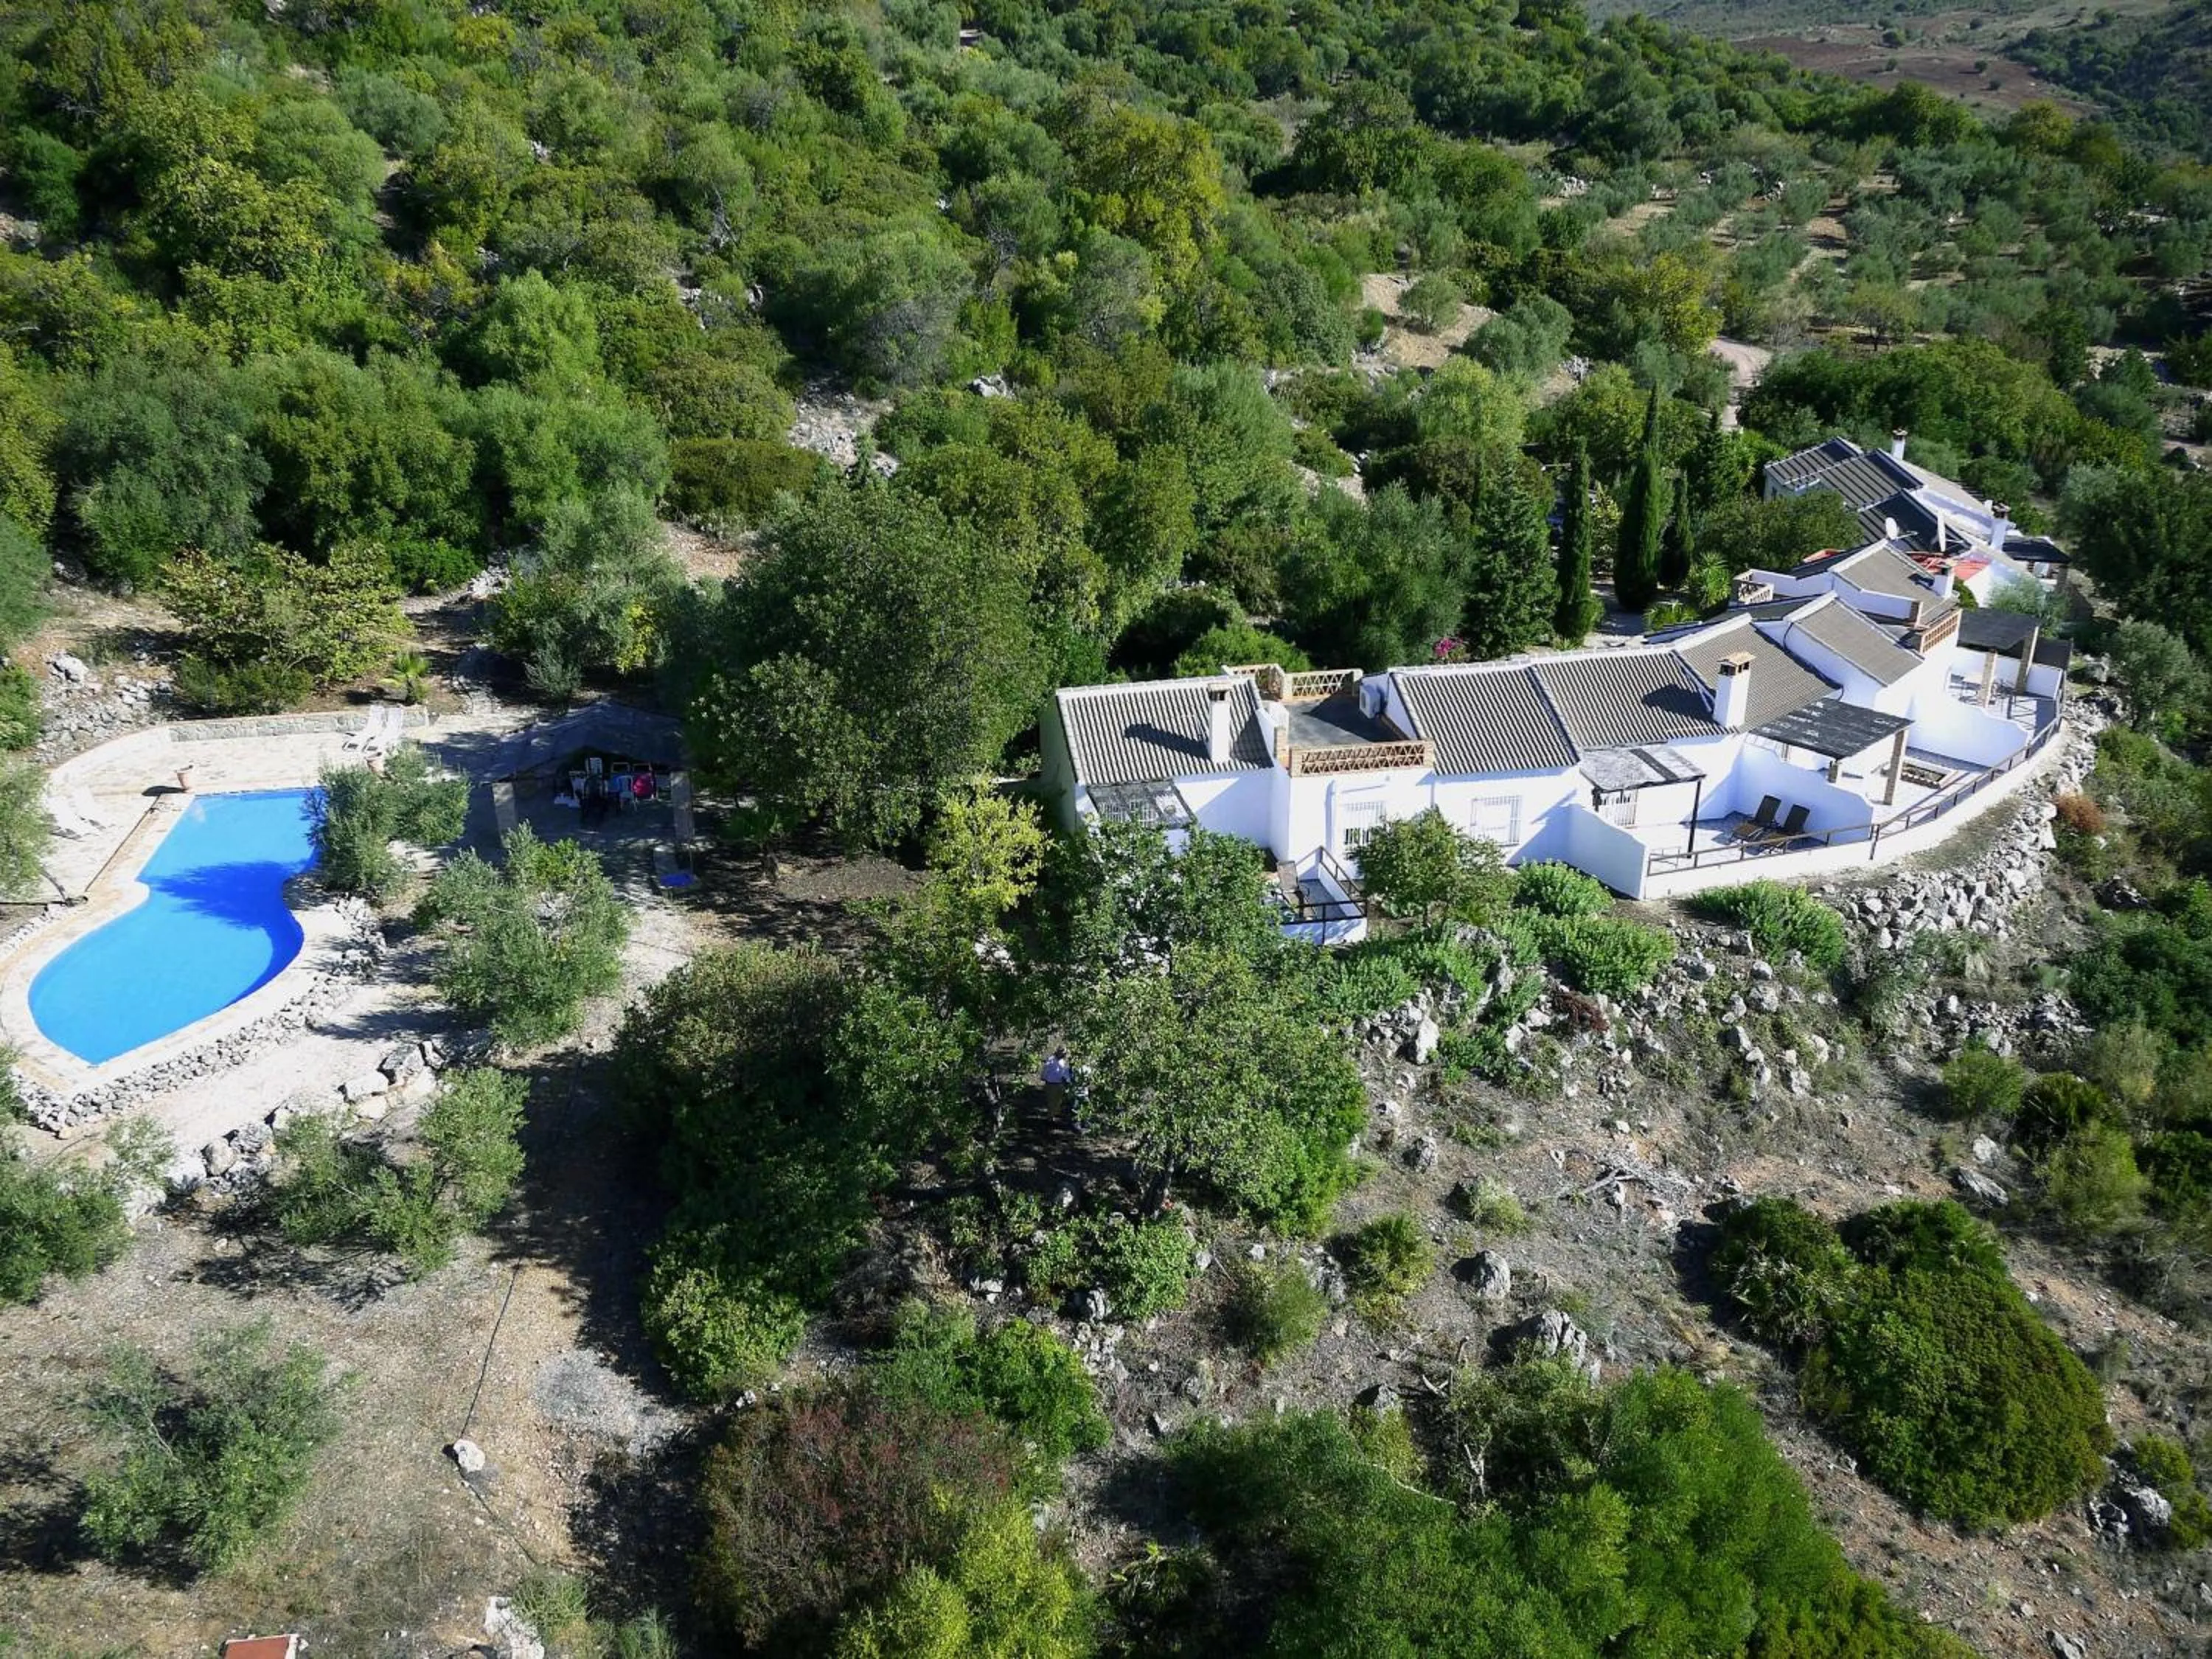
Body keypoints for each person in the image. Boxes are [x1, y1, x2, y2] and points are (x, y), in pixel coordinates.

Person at [1042, 1047, 1073, 1114]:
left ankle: (1055, 1114)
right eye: (1062, 1052)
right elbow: (1046, 1070)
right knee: (1051, 1101)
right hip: (1051, 1083)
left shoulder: (1063, 1061)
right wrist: (1044, 1077)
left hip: (1060, 1083)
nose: (1063, 1054)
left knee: (1058, 1101)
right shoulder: (1051, 1060)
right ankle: (1050, 1117)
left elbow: (1065, 1071)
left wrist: (1068, 1080)